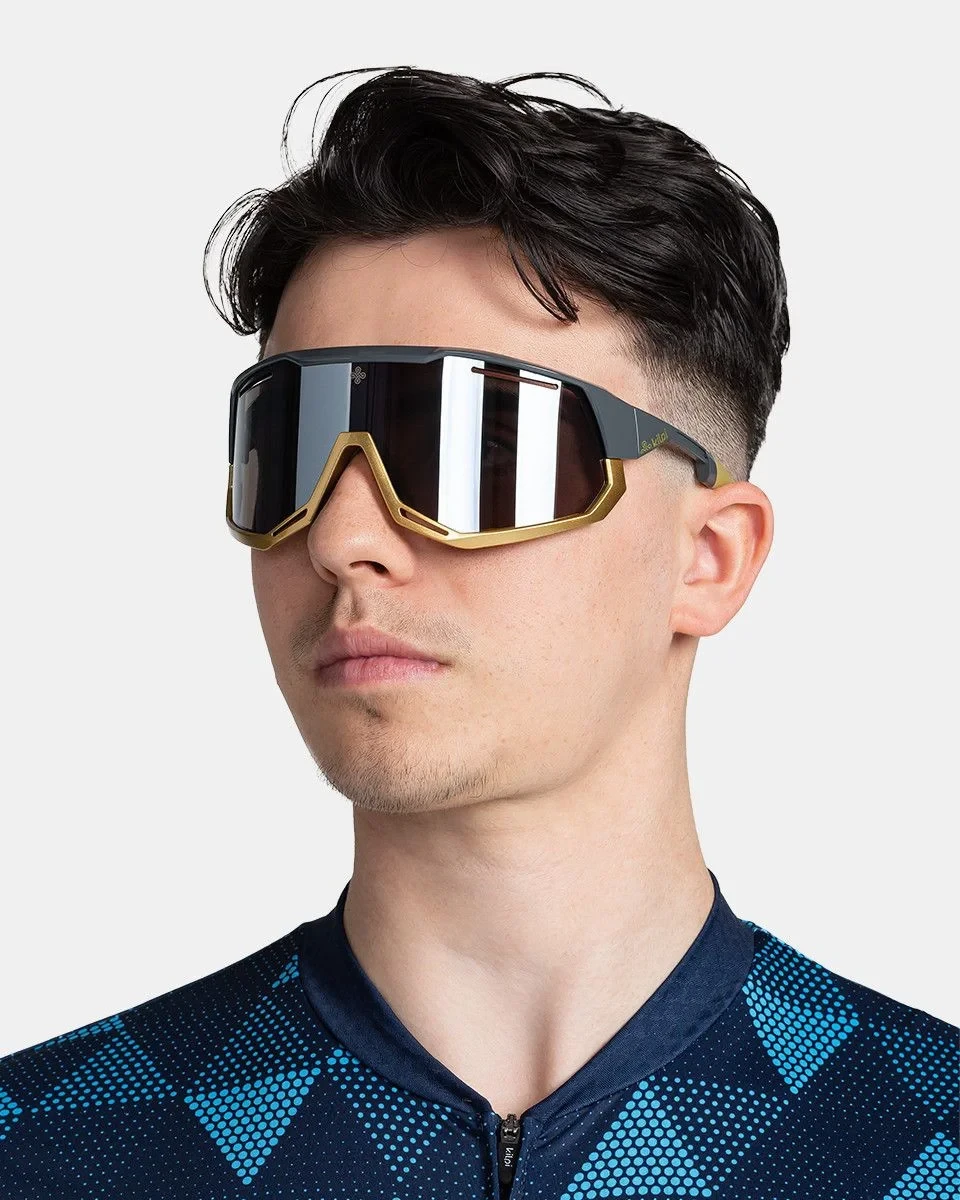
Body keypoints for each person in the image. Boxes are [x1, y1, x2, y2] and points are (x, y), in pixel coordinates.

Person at [1, 65, 957, 1199]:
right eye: (292, 449)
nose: (341, 537)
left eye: (477, 449)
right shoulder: (49, 1149)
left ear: (709, 558)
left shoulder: (927, 1144)